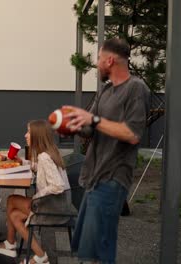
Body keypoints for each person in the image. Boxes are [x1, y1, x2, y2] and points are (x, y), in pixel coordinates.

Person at [65, 38, 150, 263]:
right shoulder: (105, 90)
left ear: (110, 60)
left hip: (113, 178)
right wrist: (70, 127)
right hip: (93, 177)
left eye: (99, 59)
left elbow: (132, 134)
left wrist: (92, 119)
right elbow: (90, 128)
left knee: (100, 250)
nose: (97, 64)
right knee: (88, 248)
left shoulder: (136, 88)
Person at [0, 120, 72, 264]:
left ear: (37, 135)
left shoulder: (44, 157)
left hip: (54, 208)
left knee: (11, 200)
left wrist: (36, 197)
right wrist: (22, 162)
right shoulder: (50, 151)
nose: (25, 135)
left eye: (29, 132)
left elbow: (57, 185)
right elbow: (39, 167)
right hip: (61, 204)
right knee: (15, 215)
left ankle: (10, 244)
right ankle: (40, 256)